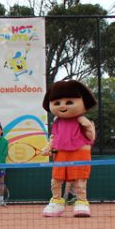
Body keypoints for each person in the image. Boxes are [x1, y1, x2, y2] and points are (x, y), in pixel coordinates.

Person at [40, 79, 96, 217]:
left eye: (69, 102)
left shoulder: (81, 120)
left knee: (80, 181)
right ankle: (57, 203)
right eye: (57, 103)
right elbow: (54, 137)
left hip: (79, 153)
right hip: (61, 154)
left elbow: (91, 136)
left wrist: (88, 126)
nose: (62, 106)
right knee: (56, 180)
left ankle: (81, 202)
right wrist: (48, 147)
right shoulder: (57, 122)